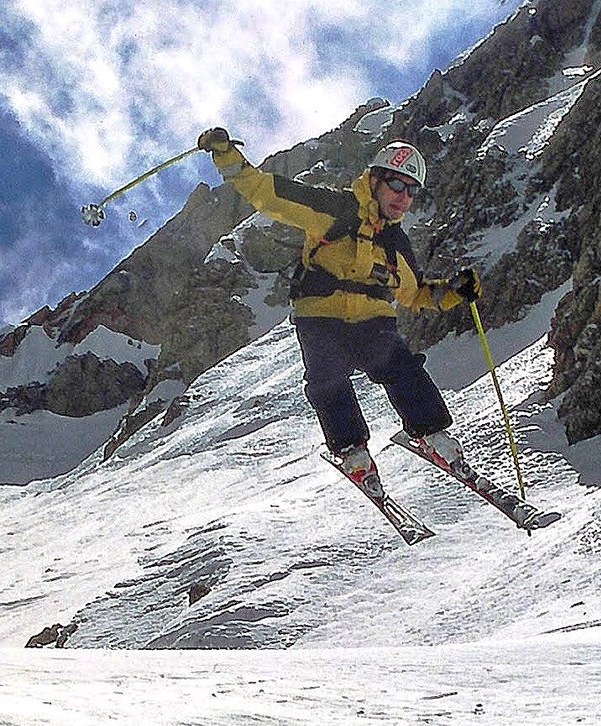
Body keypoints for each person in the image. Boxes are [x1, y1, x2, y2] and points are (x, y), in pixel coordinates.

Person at [196, 128, 481, 491]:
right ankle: (352, 450)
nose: (404, 197)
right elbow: (266, 192)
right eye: (397, 185)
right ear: (375, 180)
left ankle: (432, 434)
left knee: (400, 366)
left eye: (412, 191)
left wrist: (454, 292)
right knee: (327, 378)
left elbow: (415, 294)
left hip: (372, 320)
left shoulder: (396, 243)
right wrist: (225, 155)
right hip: (320, 313)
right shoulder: (334, 209)